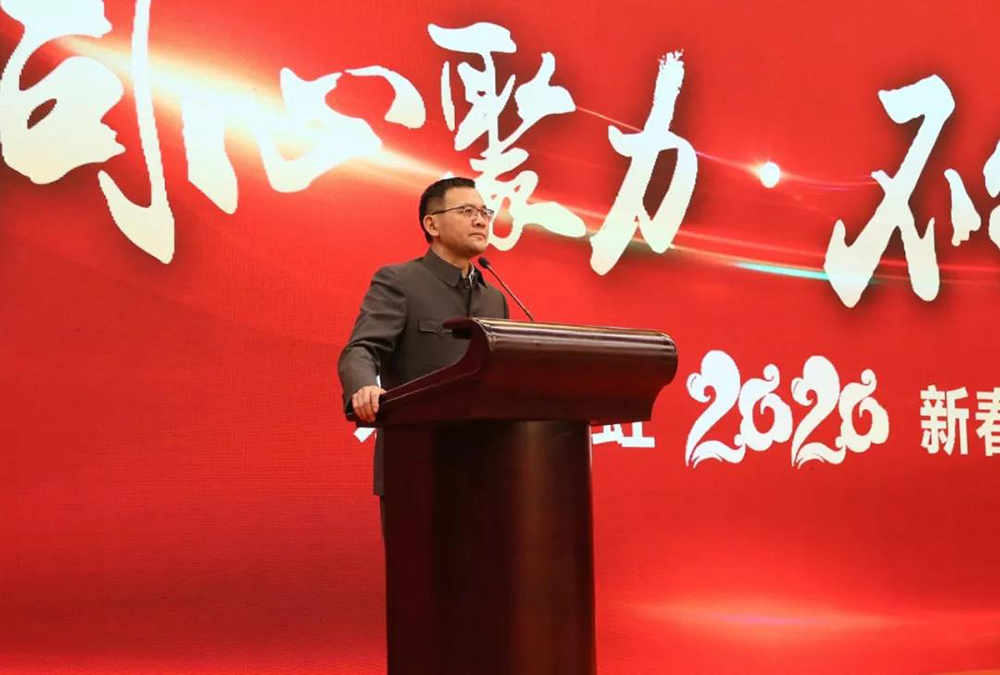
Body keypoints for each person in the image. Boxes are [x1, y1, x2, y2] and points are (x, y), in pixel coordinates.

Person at [338, 176, 509, 504]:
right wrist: (364, 387)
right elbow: (361, 349)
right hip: (416, 463)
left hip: (487, 469)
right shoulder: (400, 281)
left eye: (484, 212)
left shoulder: (495, 298)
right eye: (467, 211)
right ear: (432, 224)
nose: (480, 220)